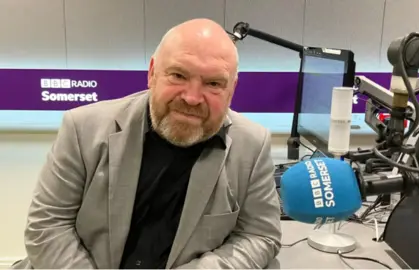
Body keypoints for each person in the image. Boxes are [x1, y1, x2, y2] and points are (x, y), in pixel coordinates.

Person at [12, 18, 282, 269]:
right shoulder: (83, 127)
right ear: (152, 73)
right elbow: (47, 227)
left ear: (232, 89)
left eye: (213, 83)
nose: (192, 97)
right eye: (178, 75)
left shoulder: (253, 145)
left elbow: (259, 235)